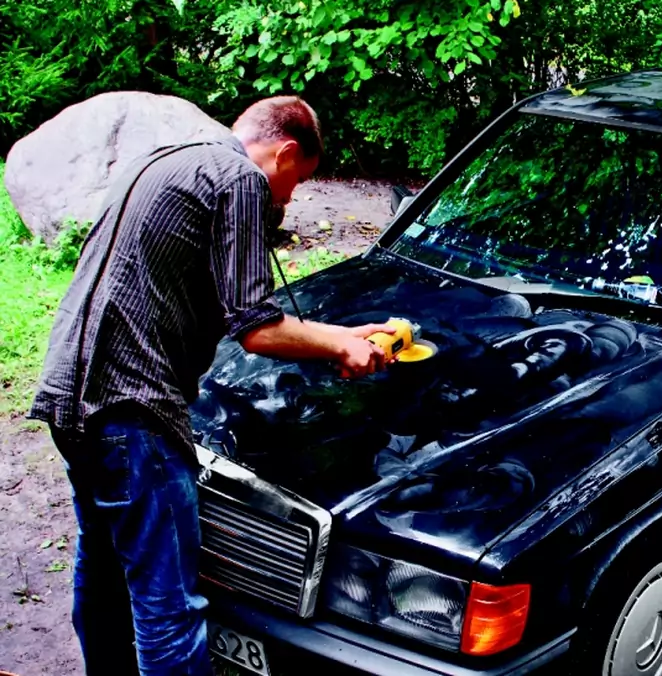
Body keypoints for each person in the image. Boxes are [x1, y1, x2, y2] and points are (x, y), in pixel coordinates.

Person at [28, 96, 391, 675]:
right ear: (285, 151)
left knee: (101, 566)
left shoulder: (171, 159)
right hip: (131, 408)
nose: (287, 199)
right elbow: (257, 328)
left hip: (69, 393)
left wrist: (340, 333)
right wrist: (344, 347)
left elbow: (225, 306)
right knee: (168, 603)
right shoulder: (239, 178)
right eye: (293, 183)